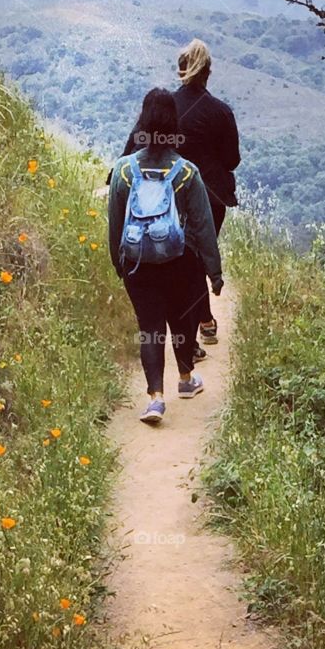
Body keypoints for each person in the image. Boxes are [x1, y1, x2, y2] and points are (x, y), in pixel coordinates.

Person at [108, 88, 223, 424]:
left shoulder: (124, 171)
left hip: (138, 263)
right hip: (180, 262)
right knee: (180, 321)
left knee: (150, 328)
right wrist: (214, 274)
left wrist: (120, 262)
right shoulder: (187, 172)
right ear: (174, 124)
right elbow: (202, 227)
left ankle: (155, 399)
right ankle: (186, 380)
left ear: (143, 123)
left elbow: (115, 222)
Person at [121, 39, 240, 355]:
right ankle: (201, 322)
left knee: (181, 259)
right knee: (197, 256)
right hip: (212, 195)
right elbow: (232, 160)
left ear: (181, 69)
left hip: (168, 192)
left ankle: (198, 323)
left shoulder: (164, 109)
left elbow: (135, 145)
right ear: (208, 73)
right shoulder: (221, 112)